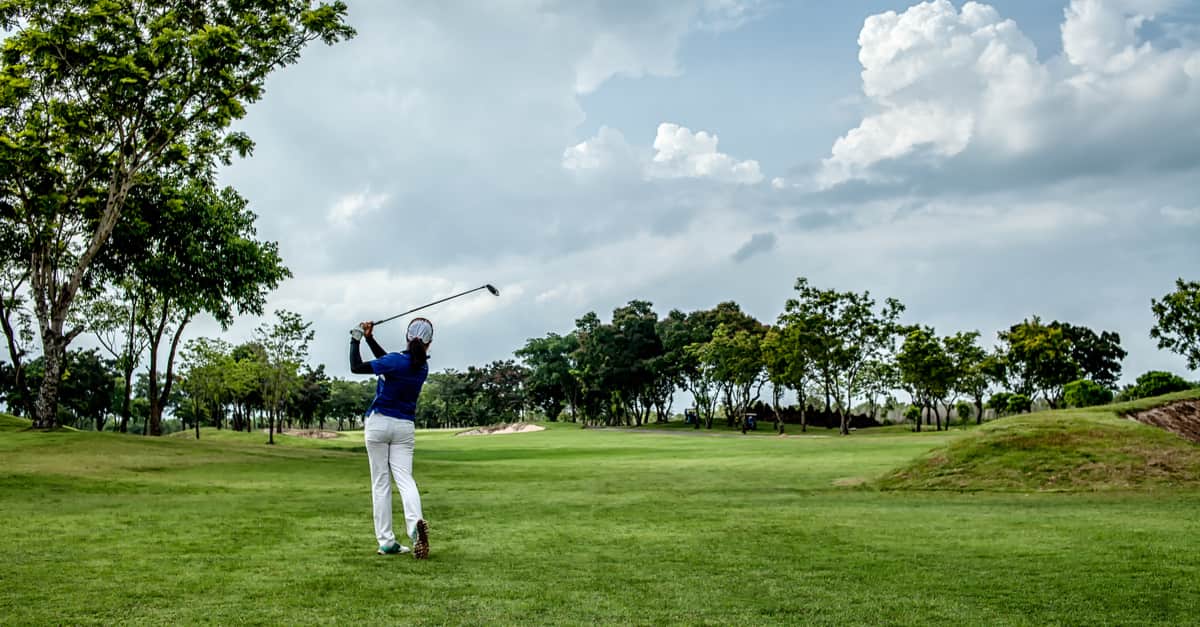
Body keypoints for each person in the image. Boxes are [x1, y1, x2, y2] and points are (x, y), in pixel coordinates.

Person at [349, 317, 433, 558]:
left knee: (381, 482)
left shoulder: (396, 361)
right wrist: (370, 338)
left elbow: (357, 367)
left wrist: (355, 340)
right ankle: (416, 526)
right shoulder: (422, 367)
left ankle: (386, 541)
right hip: (404, 427)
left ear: (407, 337)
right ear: (429, 344)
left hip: (378, 424)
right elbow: (388, 362)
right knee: (405, 479)